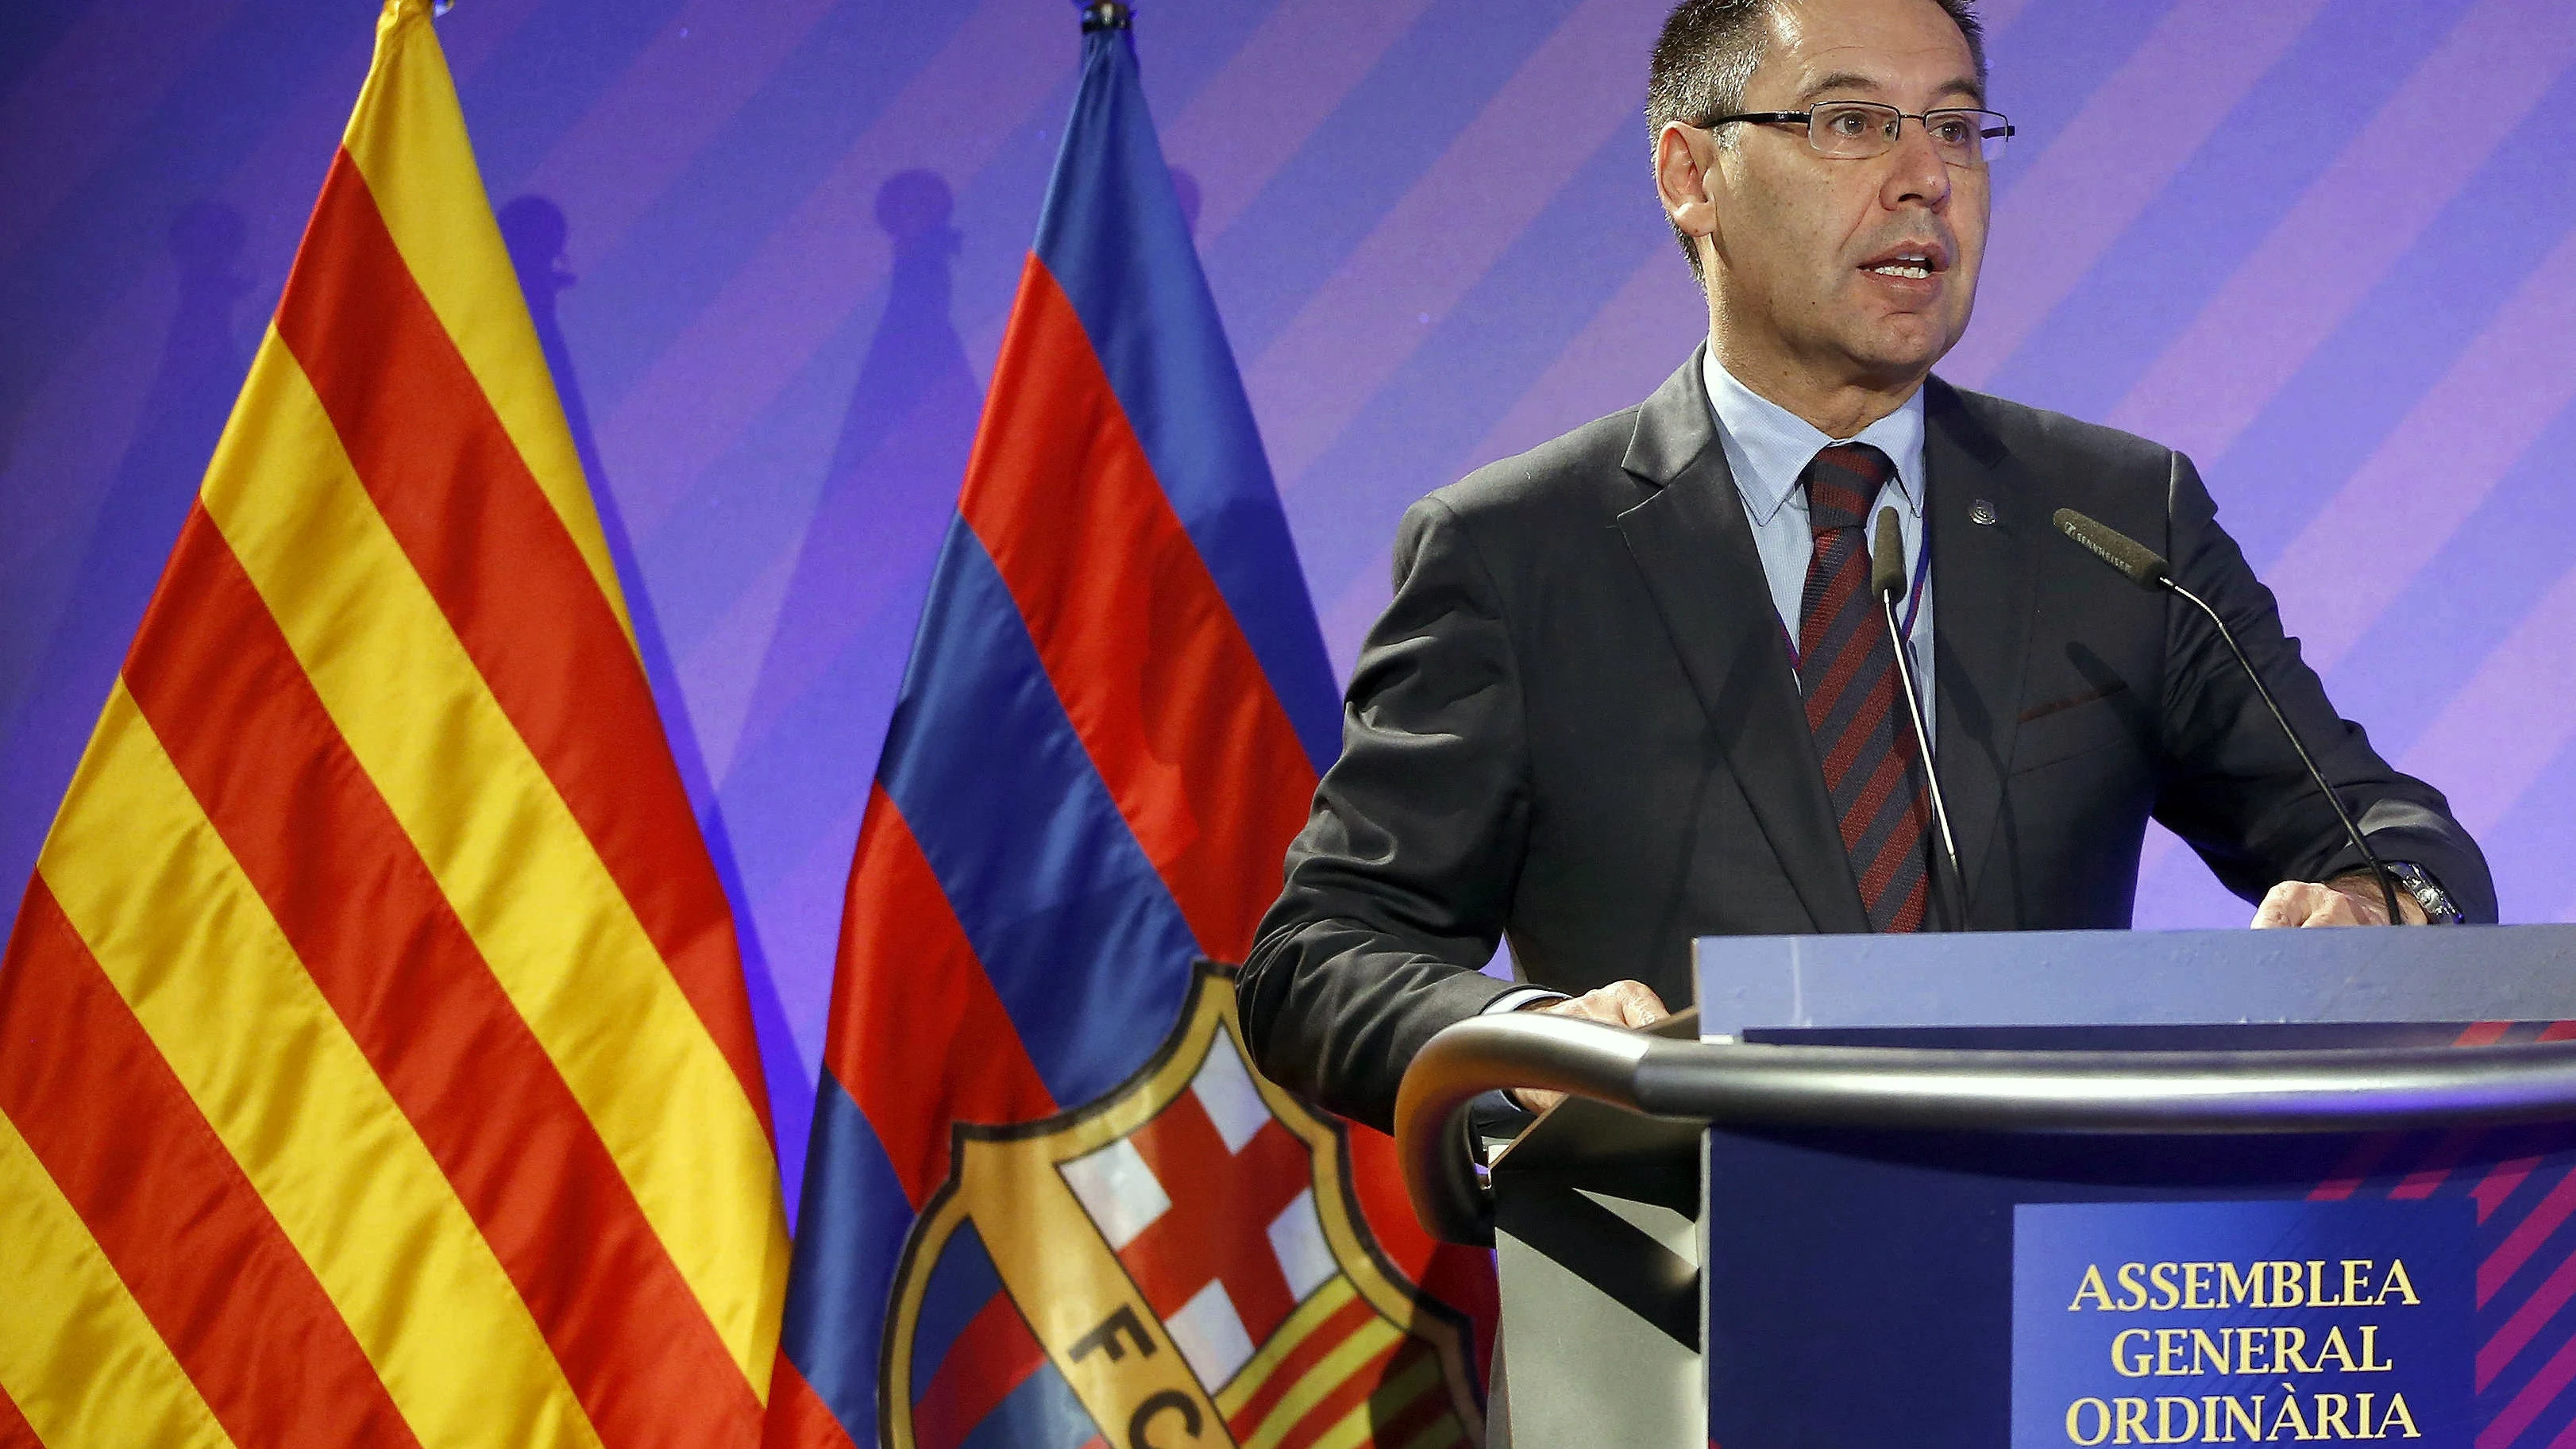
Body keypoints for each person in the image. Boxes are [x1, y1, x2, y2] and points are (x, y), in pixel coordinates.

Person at [1234, 0, 2496, 1131]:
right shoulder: (1519, 553)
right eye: (1851, 122)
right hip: (1676, 1315)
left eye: (1955, 129)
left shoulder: (2115, 522)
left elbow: (2382, 830)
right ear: (1691, 174)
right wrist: (1527, 1037)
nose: (1923, 181)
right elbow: (1320, 954)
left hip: (2068, 1320)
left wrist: (2382, 908)